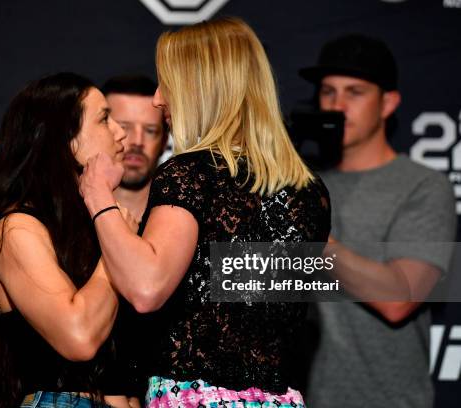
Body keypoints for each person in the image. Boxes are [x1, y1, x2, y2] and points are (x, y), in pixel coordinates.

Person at [80, 17, 330, 408]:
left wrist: (98, 197)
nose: (159, 98)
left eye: (168, 83)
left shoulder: (190, 174)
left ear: (201, 89)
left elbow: (146, 290)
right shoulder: (311, 192)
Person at [298, 34, 457, 408]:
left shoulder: (424, 187)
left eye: (355, 92)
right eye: (327, 92)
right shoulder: (301, 184)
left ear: (388, 102)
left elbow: (400, 298)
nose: (337, 106)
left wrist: (310, 234)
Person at [0, 72, 141, 408]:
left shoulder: (92, 226)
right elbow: (78, 336)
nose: (121, 133)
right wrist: (117, 247)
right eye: (105, 119)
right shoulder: (17, 229)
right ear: (67, 141)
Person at [102, 75, 168, 221]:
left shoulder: (188, 220)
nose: (137, 142)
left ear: (164, 141)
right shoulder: (63, 219)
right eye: (123, 127)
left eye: (150, 130)